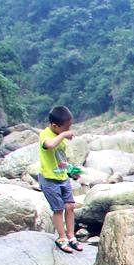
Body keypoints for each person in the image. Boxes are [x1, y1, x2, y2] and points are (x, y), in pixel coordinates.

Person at [39, 106, 82, 253]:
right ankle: (61, 237)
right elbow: (49, 145)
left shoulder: (60, 137)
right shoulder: (45, 135)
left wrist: (71, 171)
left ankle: (71, 235)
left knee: (70, 206)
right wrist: (63, 135)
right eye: (66, 128)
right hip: (49, 179)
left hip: (62, 176)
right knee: (58, 209)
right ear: (54, 126)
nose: (68, 130)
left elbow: (61, 159)